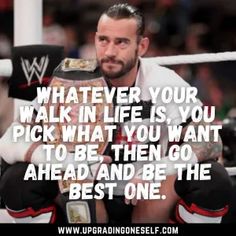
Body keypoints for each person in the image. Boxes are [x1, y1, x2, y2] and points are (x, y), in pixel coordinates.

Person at [0, 3, 233, 224]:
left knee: (213, 178)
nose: (109, 51)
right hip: (86, 195)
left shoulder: (163, 82)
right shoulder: (70, 80)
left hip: (146, 199)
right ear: (95, 39)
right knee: (18, 180)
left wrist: (159, 168)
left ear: (141, 46)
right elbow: (9, 141)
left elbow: (210, 140)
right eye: (103, 40)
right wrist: (66, 161)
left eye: (121, 42)